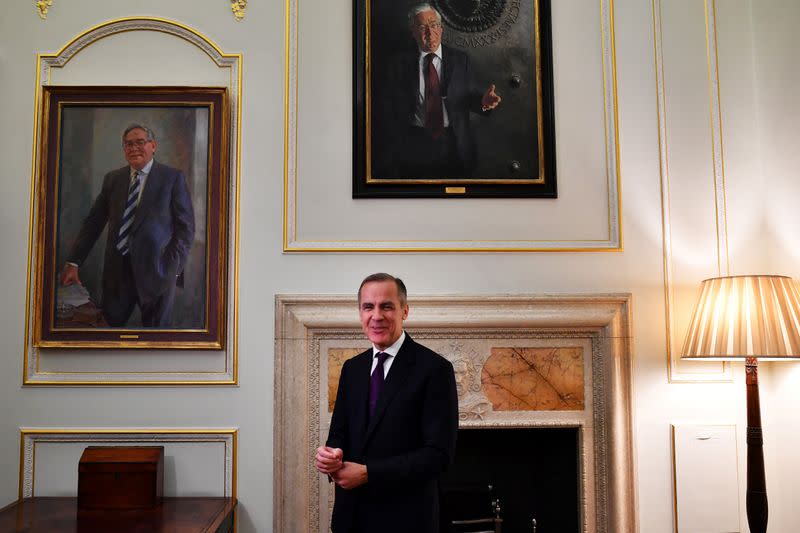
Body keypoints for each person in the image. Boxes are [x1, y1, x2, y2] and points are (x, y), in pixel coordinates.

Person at [315, 273, 459, 533]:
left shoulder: (435, 369)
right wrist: (331, 456)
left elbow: (439, 456)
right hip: (352, 518)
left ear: (405, 311)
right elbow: (339, 434)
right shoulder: (352, 369)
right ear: (360, 313)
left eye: (387, 306)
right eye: (368, 307)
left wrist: (369, 473)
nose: (377, 316)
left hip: (406, 519)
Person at [60, 124, 195, 327]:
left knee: (157, 344)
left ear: (153, 146)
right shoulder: (113, 179)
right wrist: (74, 261)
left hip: (157, 275)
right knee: (109, 339)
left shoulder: (172, 178)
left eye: (140, 142)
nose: (133, 148)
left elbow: (186, 229)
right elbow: (93, 223)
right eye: (128, 144)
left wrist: (172, 269)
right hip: (116, 277)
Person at [372, 3, 502, 179]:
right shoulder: (398, 64)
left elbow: (468, 98)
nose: (429, 33)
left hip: (454, 144)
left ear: (441, 29)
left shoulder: (460, 60)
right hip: (413, 144)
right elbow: (389, 109)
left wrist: (484, 103)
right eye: (422, 27)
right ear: (413, 32)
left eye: (434, 26)